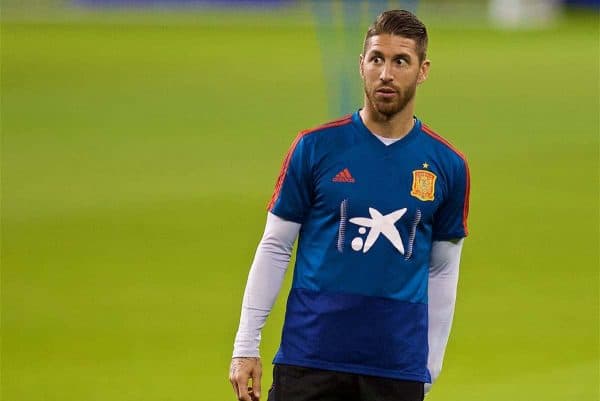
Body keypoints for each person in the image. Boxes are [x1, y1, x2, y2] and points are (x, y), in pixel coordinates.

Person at [229, 9, 470, 401]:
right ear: (361, 65)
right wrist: (245, 345)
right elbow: (275, 245)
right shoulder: (314, 148)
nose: (386, 73)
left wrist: (429, 367)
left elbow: (443, 271)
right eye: (377, 59)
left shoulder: (446, 166)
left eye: (400, 61)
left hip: (395, 368)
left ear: (422, 70)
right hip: (309, 360)